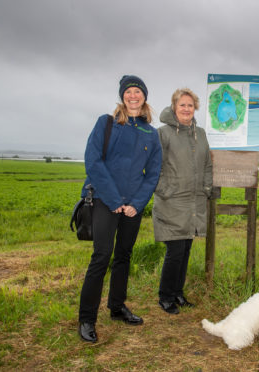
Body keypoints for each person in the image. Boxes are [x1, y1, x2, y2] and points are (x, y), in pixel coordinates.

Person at [78, 75, 162, 343]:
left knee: (123, 256)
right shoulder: (107, 123)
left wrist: (136, 205)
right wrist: (115, 200)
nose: (133, 95)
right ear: (122, 96)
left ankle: (116, 307)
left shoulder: (152, 132)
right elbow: (93, 162)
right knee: (102, 257)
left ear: (144, 97)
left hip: (132, 207)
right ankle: (86, 319)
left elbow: (153, 173)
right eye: (129, 92)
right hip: (105, 201)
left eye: (138, 91)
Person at [153, 88, 212, 315]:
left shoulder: (201, 134)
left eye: (190, 105)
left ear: (194, 108)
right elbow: (153, 167)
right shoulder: (163, 133)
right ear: (174, 107)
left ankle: (178, 292)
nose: (186, 109)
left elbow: (207, 164)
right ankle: (165, 296)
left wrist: (206, 188)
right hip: (172, 202)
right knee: (175, 250)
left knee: (186, 248)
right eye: (182, 105)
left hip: (194, 202)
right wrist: (165, 189)